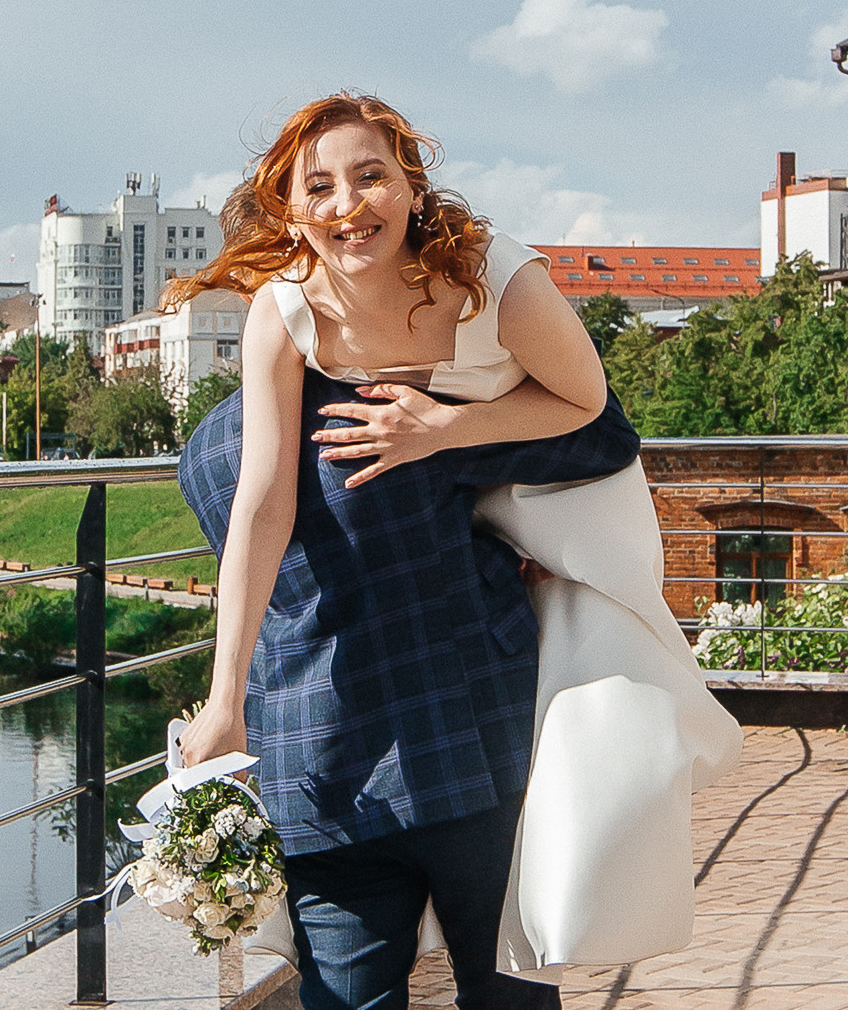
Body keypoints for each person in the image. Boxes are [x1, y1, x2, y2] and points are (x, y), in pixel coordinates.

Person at [170, 94, 728, 1010]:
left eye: (370, 174)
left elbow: (586, 407)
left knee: (432, 986)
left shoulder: (482, 279)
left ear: (412, 186)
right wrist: (224, 697)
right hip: (429, 715)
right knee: (468, 984)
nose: (349, 202)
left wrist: (440, 429)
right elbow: (263, 505)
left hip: (359, 708)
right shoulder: (295, 331)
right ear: (292, 216)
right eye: (321, 186)